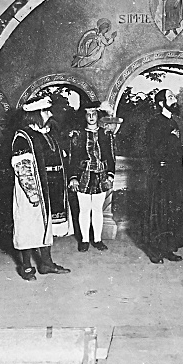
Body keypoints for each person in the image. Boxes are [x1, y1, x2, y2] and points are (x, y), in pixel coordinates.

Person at [11, 95, 72, 281]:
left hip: (51, 188)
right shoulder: (23, 136)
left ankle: (46, 263)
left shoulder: (49, 133)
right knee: (29, 226)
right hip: (32, 191)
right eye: (46, 111)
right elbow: (22, 167)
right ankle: (26, 267)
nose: (50, 114)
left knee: (46, 227)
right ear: (35, 114)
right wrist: (32, 193)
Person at [143, 89, 183, 264]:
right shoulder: (154, 123)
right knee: (159, 212)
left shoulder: (173, 122)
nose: (174, 99)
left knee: (173, 211)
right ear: (161, 103)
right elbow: (153, 151)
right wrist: (170, 138)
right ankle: (155, 251)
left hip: (175, 174)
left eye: (174, 96)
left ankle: (168, 248)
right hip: (160, 175)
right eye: (170, 97)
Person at [68, 101, 116, 252]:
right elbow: (72, 158)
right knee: (84, 209)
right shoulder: (78, 135)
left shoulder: (105, 134)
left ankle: (97, 239)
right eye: (88, 114)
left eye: (93, 114)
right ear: (84, 116)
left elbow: (111, 156)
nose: (91, 117)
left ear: (97, 115)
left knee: (97, 209)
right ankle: (84, 240)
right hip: (83, 176)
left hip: (101, 176)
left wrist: (110, 175)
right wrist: (73, 177)